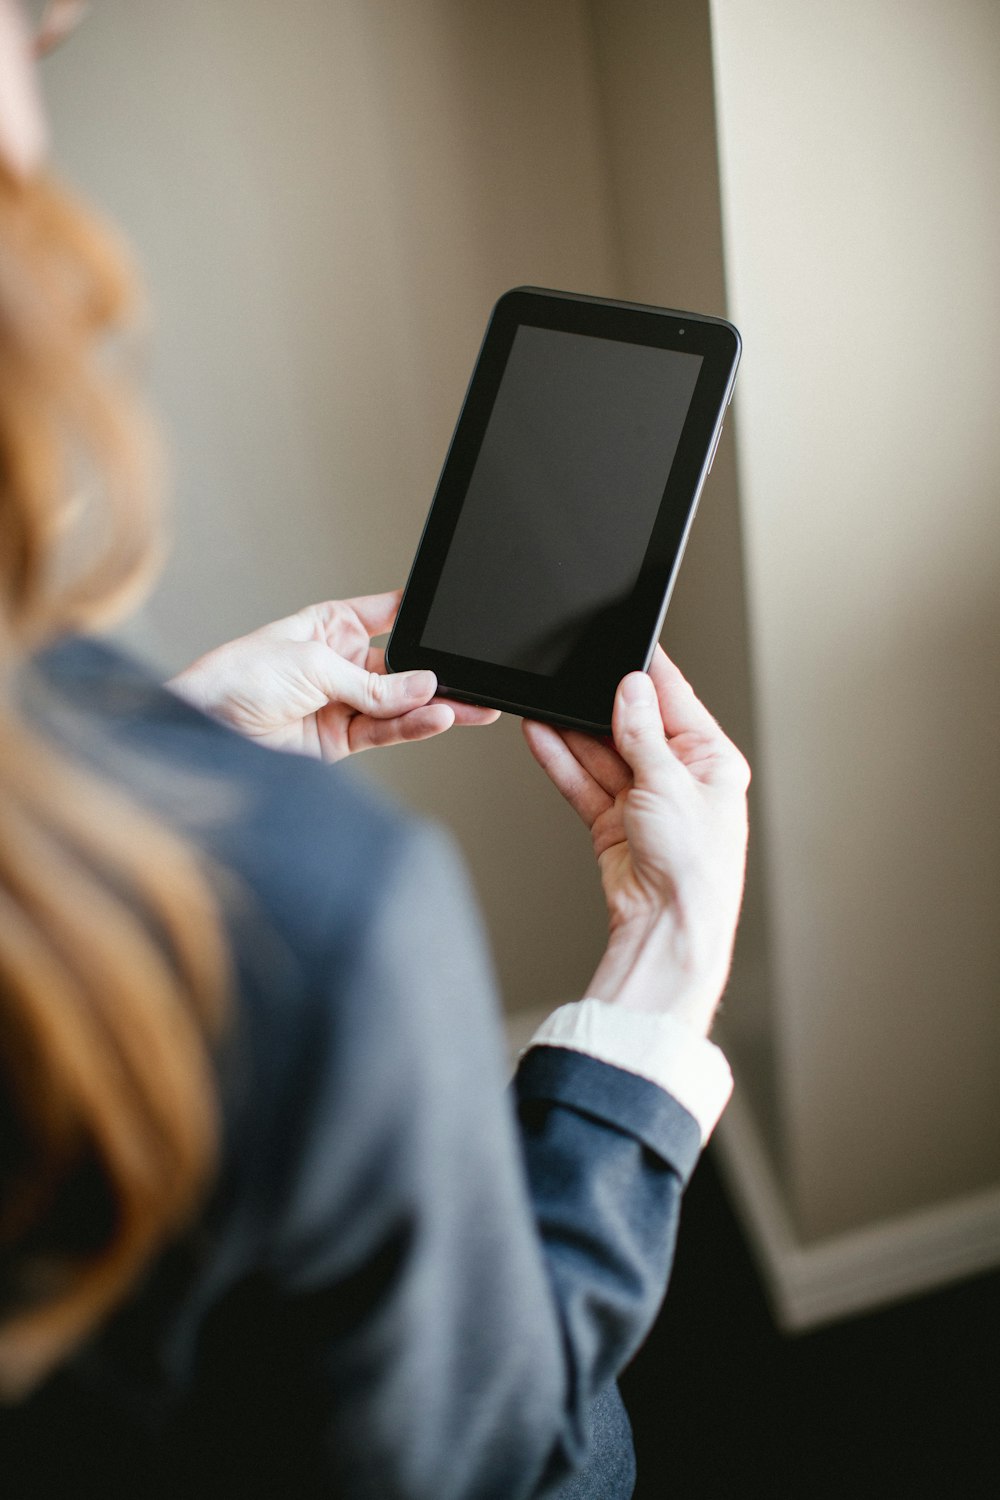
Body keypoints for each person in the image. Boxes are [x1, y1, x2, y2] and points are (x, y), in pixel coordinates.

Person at [0, 3, 751, 1496]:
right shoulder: (332, 919)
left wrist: (170, 749)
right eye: (25, 40)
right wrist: (659, 985)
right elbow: (508, 1465)